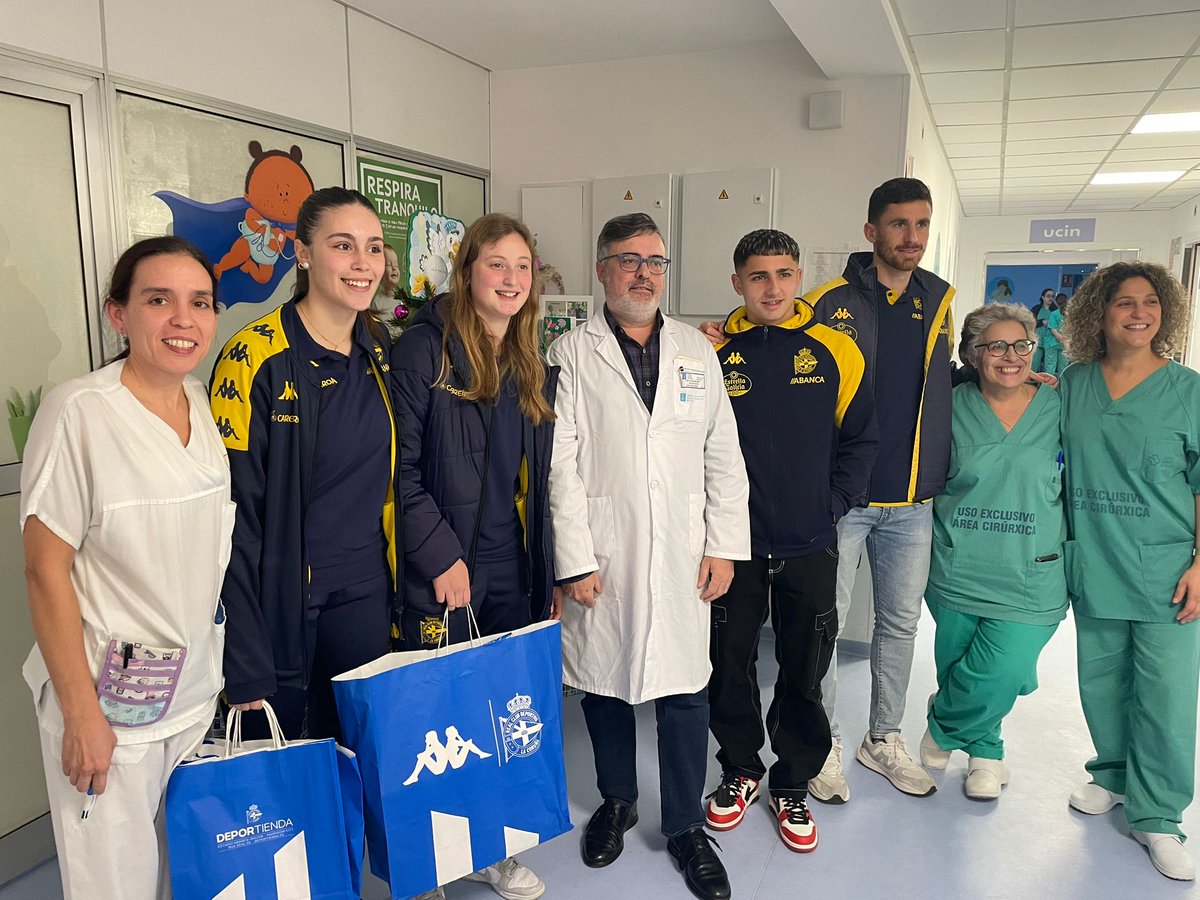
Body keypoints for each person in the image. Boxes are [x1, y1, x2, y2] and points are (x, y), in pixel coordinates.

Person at [21, 236, 231, 899]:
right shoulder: (79, 411)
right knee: (115, 886)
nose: (182, 320)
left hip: (191, 698)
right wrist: (83, 717)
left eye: (199, 302)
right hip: (106, 709)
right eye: (158, 300)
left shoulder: (198, 401)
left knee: (184, 878)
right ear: (119, 315)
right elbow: (44, 570)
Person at [548, 213, 750, 900]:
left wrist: (724, 543)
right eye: (628, 259)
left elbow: (723, 452)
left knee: (685, 692)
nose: (643, 272)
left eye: (655, 261)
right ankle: (617, 801)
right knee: (603, 686)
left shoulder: (697, 348)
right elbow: (560, 465)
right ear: (602, 269)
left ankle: (688, 826)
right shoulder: (572, 352)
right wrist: (573, 557)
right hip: (604, 548)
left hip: (684, 551)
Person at [390, 212, 555, 900]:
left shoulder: (527, 359)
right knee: (434, 726)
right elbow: (397, 470)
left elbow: (541, 483)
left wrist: (542, 572)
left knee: (493, 715)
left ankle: (490, 847)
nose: (511, 279)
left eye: (523, 266)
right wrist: (438, 556)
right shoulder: (423, 352)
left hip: (506, 568)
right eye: (497, 264)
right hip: (443, 570)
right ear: (467, 274)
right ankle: (429, 862)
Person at [703, 229, 878, 853]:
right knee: (729, 662)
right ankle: (741, 769)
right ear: (737, 284)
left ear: (798, 277)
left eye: (782, 274)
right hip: (732, 545)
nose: (771, 287)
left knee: (805, 667)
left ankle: (792, 782)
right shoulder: (711, 354)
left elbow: (861, 439)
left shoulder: (836, 350)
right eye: (757, 276)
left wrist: (830, 507)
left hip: (809, 542)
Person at [210, 186, 398, 743]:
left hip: (365, 589)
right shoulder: (254, 358)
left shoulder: (379, 346)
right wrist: (242, 656)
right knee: (284, 765)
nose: (363, 263)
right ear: (304, 252)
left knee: (359, 749)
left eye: (374, 247)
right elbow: (231, 522)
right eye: (343, 246)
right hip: (282, 599)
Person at [1059, 261, 1200, 882]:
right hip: (1097, 559)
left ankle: (1160, 815)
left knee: (1167, 695)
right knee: (1103, 682)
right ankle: (1113, 777)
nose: (1139, 313)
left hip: (1169, 567)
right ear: (1100, 312)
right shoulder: (1073, 384)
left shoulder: (1189, 391)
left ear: (1165, 313)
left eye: (1150, 302)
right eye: (1124, 302)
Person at [919, 303, 1067, 800]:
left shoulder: (1059, 405)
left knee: (1001, 668)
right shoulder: (947, 405)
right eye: (996, 346)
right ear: (973, 354)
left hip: (1033, 567)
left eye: (1021, 345)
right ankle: (988, 753)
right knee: (959, 662)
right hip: (959, 562)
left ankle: (941, 727)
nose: (1011, 356)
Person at [1030, 287, 1055, 373]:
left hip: (1050, 340)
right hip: (1038, 339)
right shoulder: (1036, 308)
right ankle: (1029, 382)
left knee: (1049, 365)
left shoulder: (1055, 310)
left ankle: (1047, 384)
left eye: (1052, 296)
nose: (1050, 298)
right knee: (1034, 362)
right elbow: (1030, 322)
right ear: (1043, 297)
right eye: (1048, 296)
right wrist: (1042, 322)